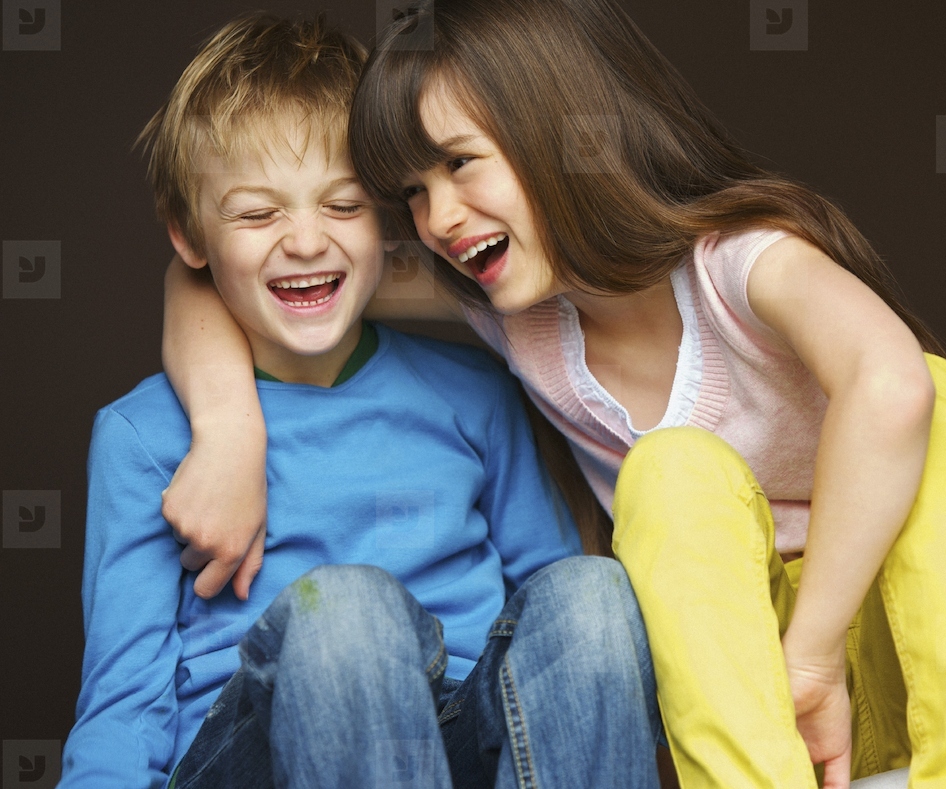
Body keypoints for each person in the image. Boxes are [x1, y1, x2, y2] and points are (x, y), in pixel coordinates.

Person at [160, 1, 946, 787]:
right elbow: (244, 277)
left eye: (462, 164)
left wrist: (814, 653)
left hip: (920, 645)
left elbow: (889, 386)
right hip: (770, 698)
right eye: (412, 190)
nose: (436, 219)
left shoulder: (740, 262)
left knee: (935, 393)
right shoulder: (512, 307)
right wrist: (231, 430)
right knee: (670, 470)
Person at [62, 12, 661, 789]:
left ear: (386, 219)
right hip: (257, 753)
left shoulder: (474, 391)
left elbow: (554, 623)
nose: (307, 241)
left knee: (591, 590)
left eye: (341, 206)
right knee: (347, 611)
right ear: (190, 236)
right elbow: (124, 695)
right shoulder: (144, 436)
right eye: (257, 212)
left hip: (466, 741)